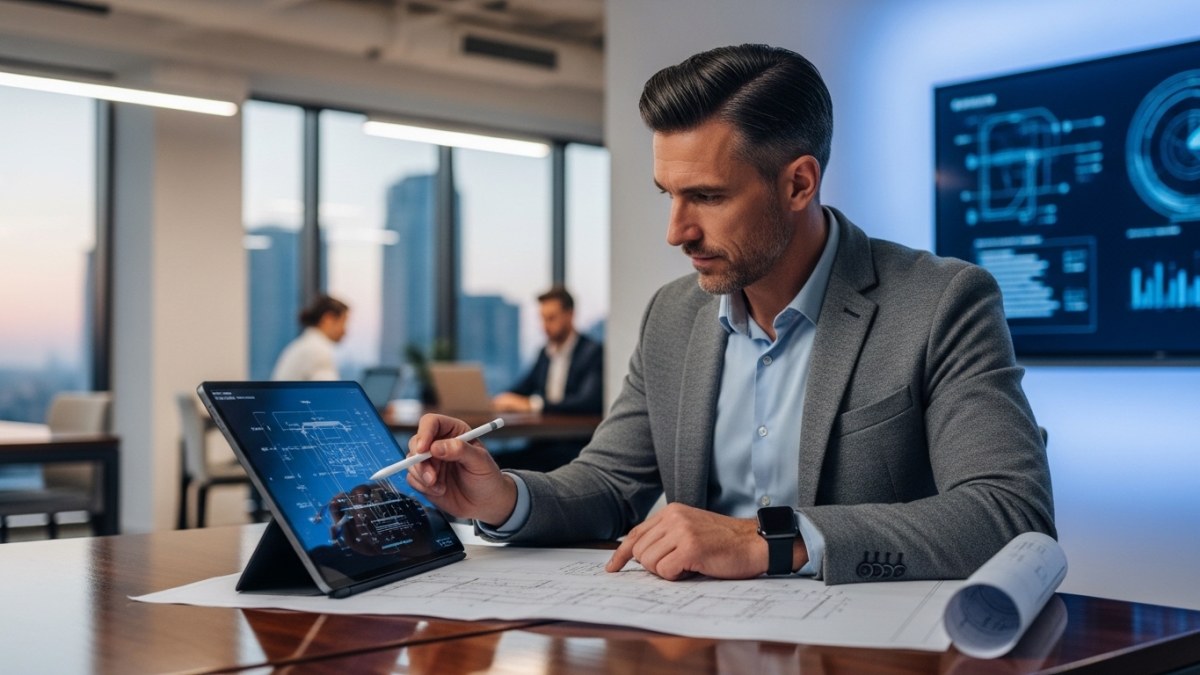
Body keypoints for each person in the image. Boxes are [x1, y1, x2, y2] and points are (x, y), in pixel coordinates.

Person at [404, 44, 1055, 585]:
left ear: (798, 183)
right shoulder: (673, 316)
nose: (676, 231)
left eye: (707, 197)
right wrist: (504, 497)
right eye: (669, 194)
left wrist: (766, 539)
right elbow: (607, 481)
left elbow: (1008, 512)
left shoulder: (942, 301)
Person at [492, 285, 604, 416]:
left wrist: (534, 405)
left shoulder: (592, 353)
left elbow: (588, 402)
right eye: (542, 318)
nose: (544, 325)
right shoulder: (545, 352)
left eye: (551, 318)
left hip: (575, 433)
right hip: (544, 432)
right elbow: (525, 386)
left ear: (570, 315)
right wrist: (500, 399)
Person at [271, 295, 350, 381]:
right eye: (343, 322)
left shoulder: (304, 345)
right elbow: (329, 392)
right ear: (328, 319)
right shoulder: (317, 350)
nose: (345, 331)